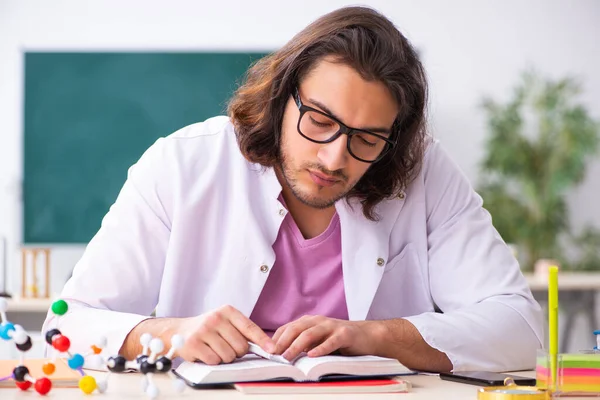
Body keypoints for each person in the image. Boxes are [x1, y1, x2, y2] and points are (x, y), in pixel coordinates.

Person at [42, 6, 543, 372]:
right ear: (284, 96)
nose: (335, 157)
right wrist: (172, 333)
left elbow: (518, 329)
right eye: (320, 121)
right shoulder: (182, 164)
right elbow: (65, 329)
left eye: (367, 138)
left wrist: (378, 337)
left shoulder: (424, 171)